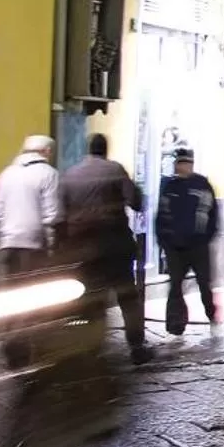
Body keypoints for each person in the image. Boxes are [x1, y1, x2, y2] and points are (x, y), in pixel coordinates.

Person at [61, 135, 148, 363]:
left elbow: (60, 211)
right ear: (105, 150)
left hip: (84, 248)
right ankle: (137, 346)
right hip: (115, 244)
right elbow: (136, 201)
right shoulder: (115, 170)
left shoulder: (70, 174)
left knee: (91, 299)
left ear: (88, 150)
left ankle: (92, 348)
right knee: (127, 297)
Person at [155, 146, 220, 333]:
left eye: (182, 163)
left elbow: (212, 214)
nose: (179, 166)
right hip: (175, 248)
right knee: (175, 286)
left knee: (204, 285)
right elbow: (162, 215)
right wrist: (164, 241)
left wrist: (206, 237)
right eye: (178, 163)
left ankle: (212, 316)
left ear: (189, 164)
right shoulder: (170, 187)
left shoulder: (201, 185)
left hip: (197, 246)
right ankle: (176, 325)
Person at [0, 135, 60, 278]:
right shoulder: (49, 173)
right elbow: (52, 214)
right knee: (33, 289)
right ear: (47, 150)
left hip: (9, 243)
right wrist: (52, 245)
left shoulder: (6, 174)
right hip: (36, 243)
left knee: (13, 287)